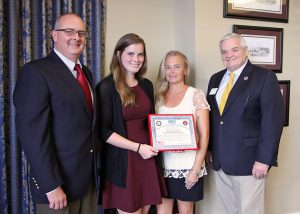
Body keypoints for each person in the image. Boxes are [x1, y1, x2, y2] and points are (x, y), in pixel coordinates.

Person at [13, 13, 99, 213]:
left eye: (81, 33)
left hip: (88, 181)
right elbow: (32, 135)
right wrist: (51, 186)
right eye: (68, 31)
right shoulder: (36, 72)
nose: (76, 37)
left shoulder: (85, 73)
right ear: (54, 35)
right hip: (57, 188)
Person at [206, 33, 284, 214]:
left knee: (250, 211)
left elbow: (273, 122)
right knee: (227, 210)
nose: (229, 55)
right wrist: (210, 149)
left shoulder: (264, 77)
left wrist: (264, 160)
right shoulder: (215, 79)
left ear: (245, 51)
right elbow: (214, 118)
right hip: (220, 161)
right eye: (224, 51)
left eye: (234, 49)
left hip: (250, 162)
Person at [96, 33, 167, 214]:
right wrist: (137, 148)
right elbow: (103, 131)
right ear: (119, 54)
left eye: (140, 54)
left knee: (145, 210)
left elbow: (152, 122)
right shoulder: (106, 87)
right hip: (124, 160)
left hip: (147, 157)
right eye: (131, 54)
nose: (136, 59)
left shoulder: (146, 85)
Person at [155, 50, 210, 214]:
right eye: (168, 67)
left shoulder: (196, 95)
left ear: (185, 70)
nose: (171, 71)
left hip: (187, 166)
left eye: (177, 67)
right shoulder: (158, 97)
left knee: (185, 212)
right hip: (163, 165)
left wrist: (195, 170)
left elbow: (205, 136)